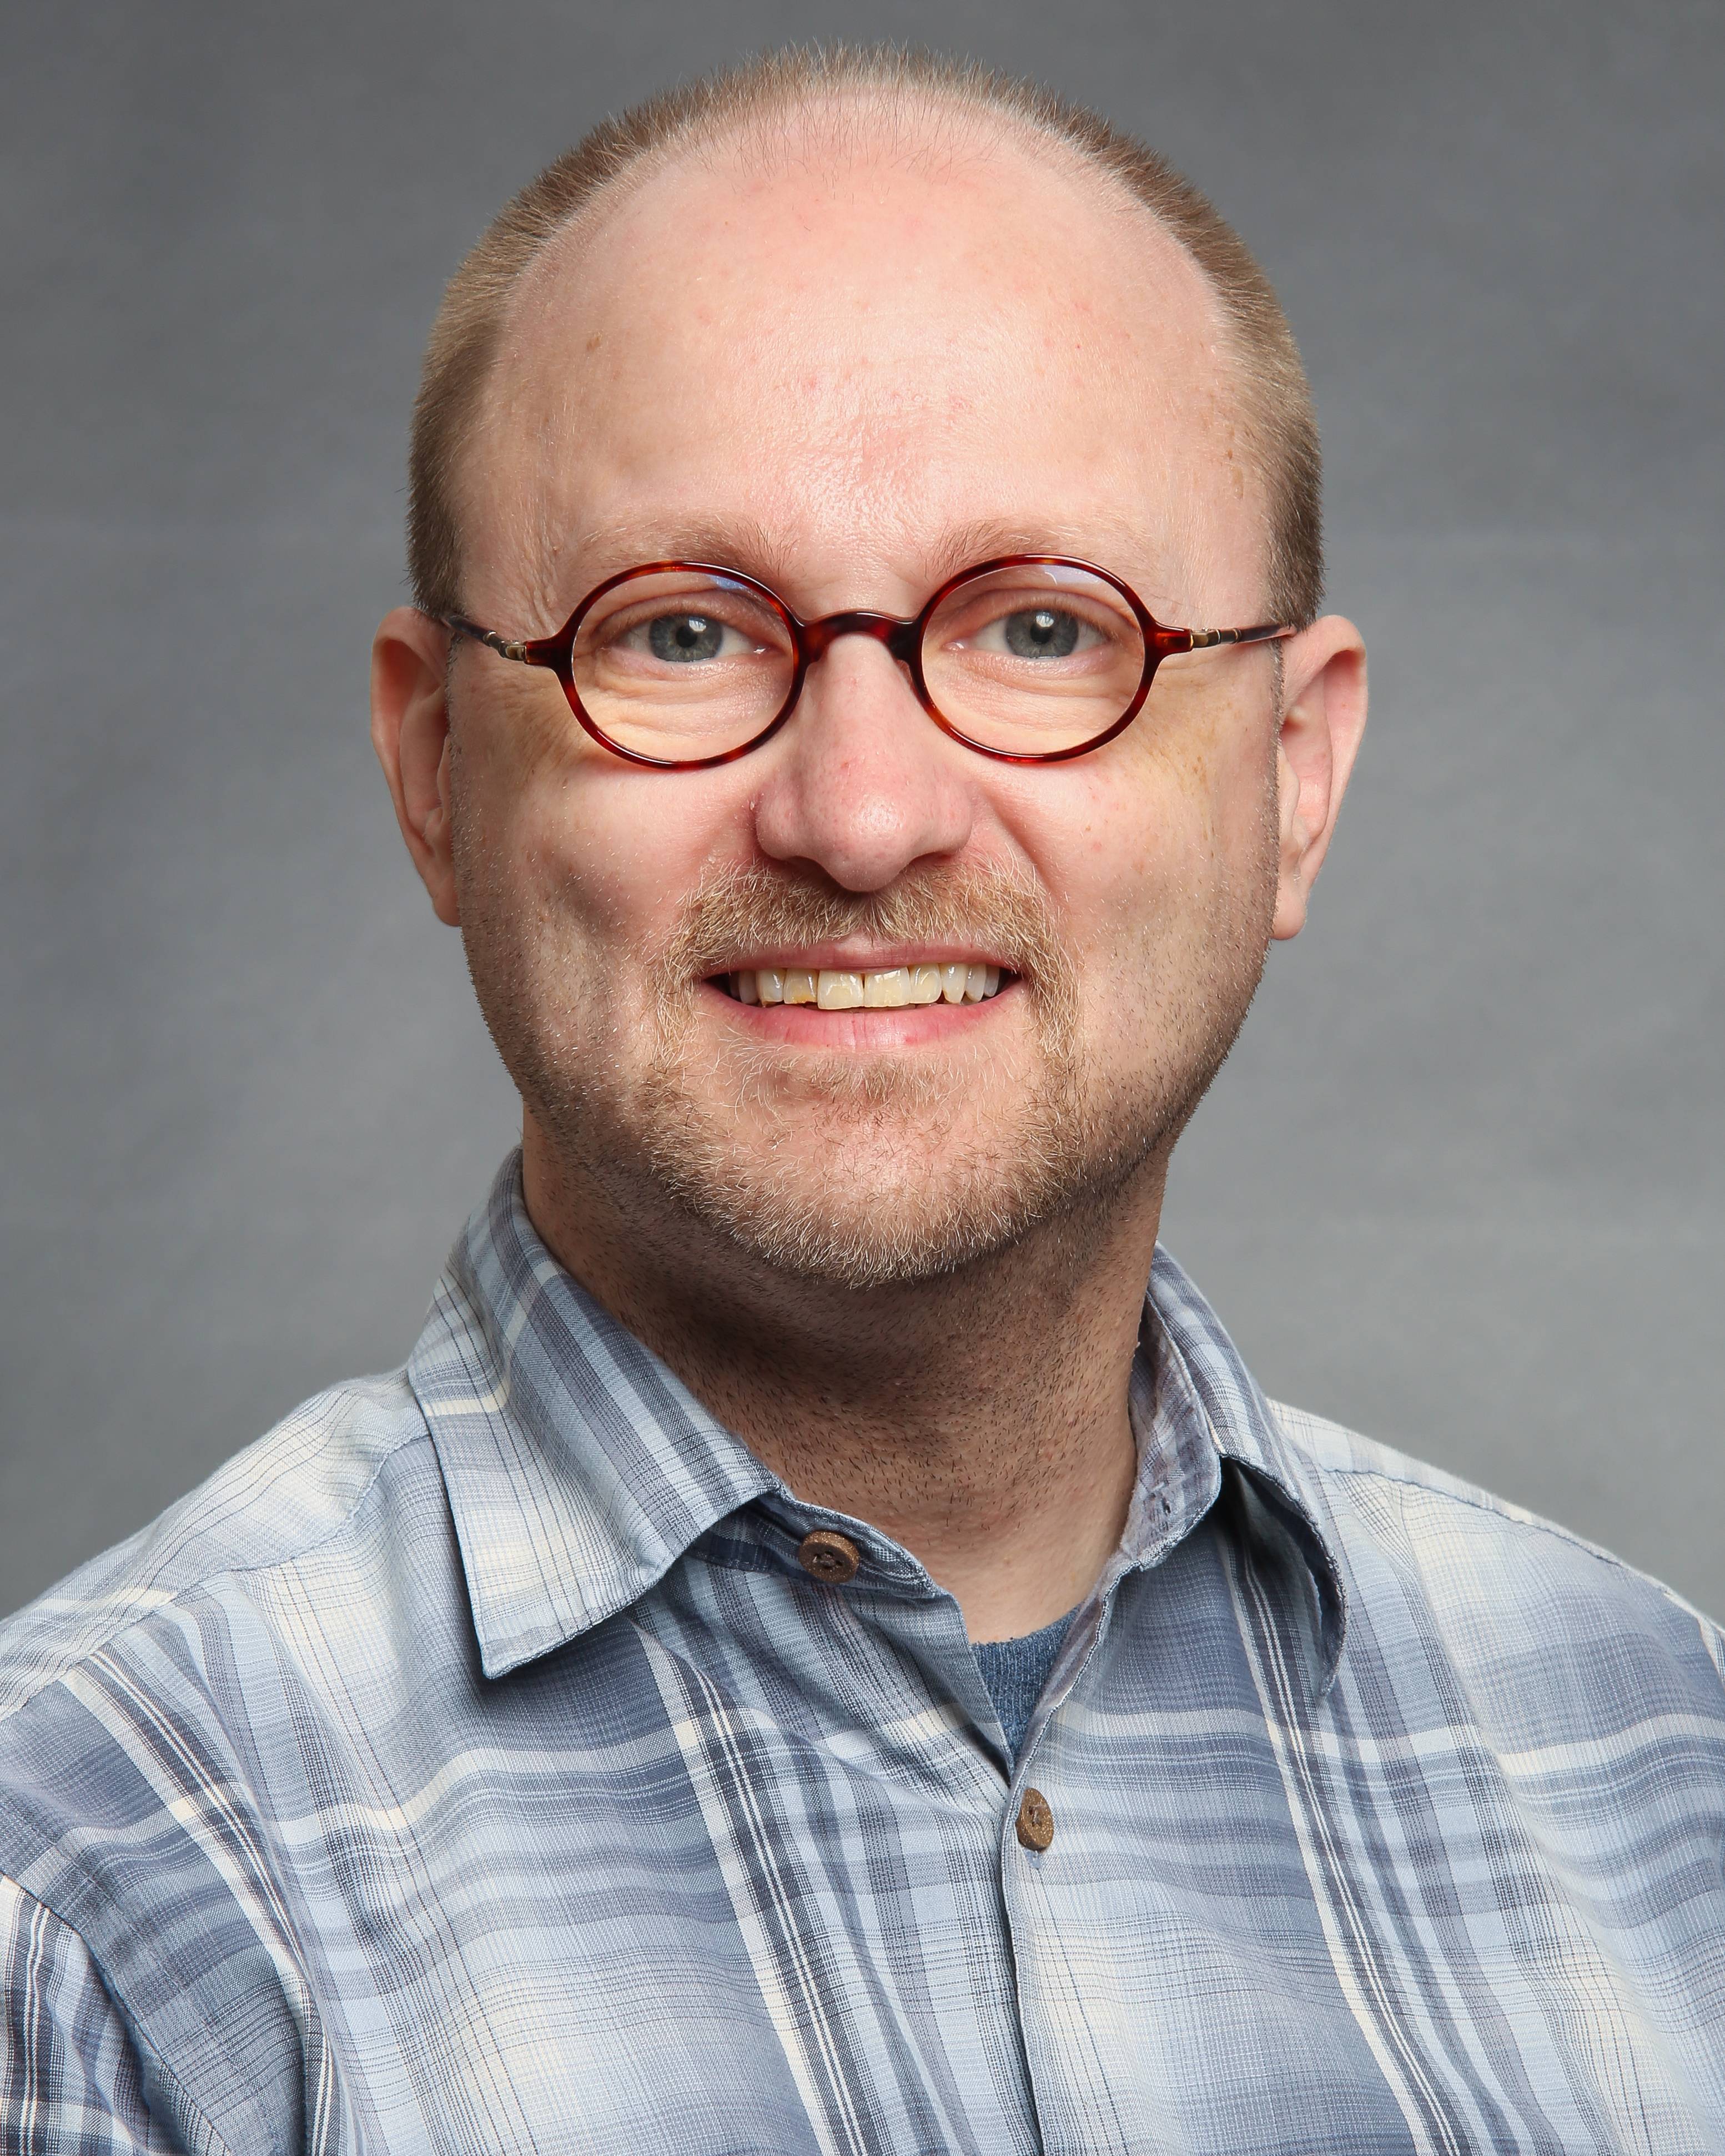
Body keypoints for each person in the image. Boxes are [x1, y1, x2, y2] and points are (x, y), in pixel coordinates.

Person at [2, 46, 1720, 2155]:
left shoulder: (1664, 1768)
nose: (862, 810)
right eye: (687, 632)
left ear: (1293, 777)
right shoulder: (77, 1890)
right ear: (436, 765)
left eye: (1037, 625)